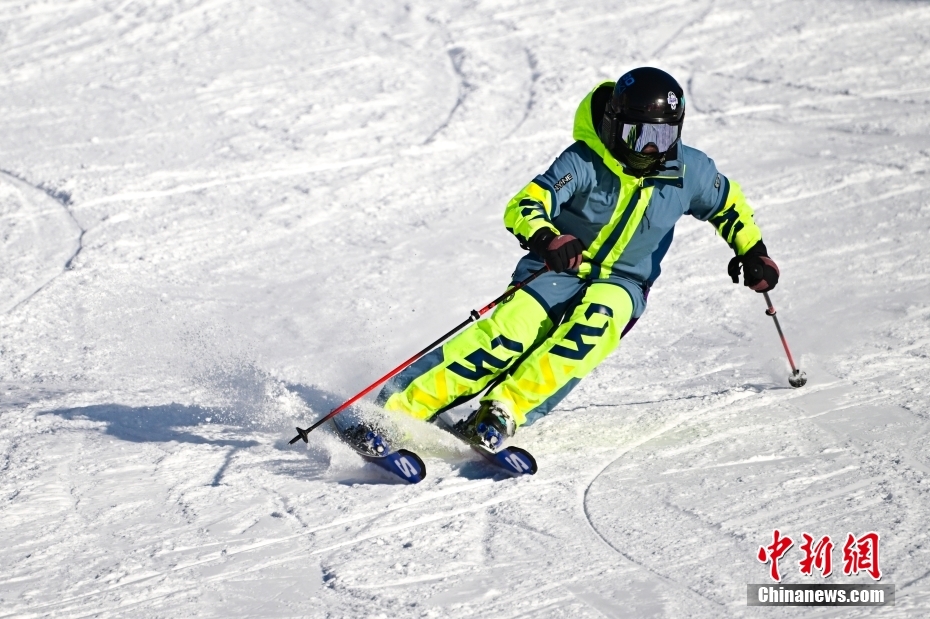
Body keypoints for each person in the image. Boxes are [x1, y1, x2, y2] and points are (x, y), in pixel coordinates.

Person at [375, 67, 779, 449]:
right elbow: (527, 203)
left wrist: (753, 251)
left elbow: (728, 204)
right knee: (509, 333)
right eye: (640, 135)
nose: (653, 147)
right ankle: (395, 408)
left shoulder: (688, 170)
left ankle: (503, 411)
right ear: (615, 126)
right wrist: (548, 238)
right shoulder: (584, 160)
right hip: (558, 267)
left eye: (664, 134)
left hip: (625, 282)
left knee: (591, 330)